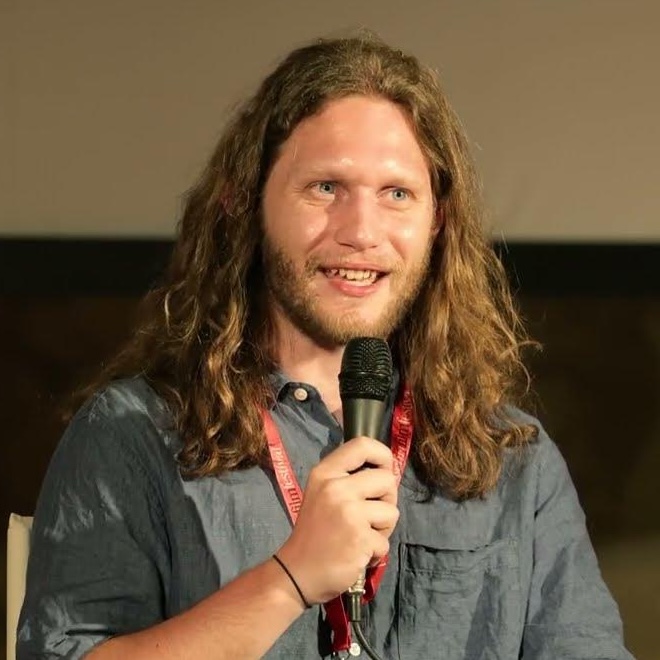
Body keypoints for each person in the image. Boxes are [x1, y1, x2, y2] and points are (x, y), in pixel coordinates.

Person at [17, 35, 632, 659]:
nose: (361, 231)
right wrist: (288, 579)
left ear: (437, 220)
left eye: (397, 194)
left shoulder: (511, 459)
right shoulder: (132, 435)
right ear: (245, 202)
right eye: (325, 188)